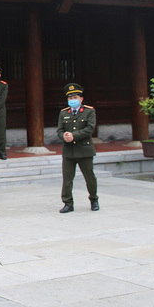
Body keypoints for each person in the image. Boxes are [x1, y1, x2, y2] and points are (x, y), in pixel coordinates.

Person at [58, 82, 99, 213]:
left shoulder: (89, 111)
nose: (73, 100)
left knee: (89, 177)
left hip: (84, 150)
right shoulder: (63, 113)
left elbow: (90, 128)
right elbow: (59, 130)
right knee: (67, 179)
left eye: (75, 97)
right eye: (70, 98)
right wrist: (64, 136)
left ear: (81, 99)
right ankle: (68, 203)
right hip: (69, 151)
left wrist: (74, 136)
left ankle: (94, 199)